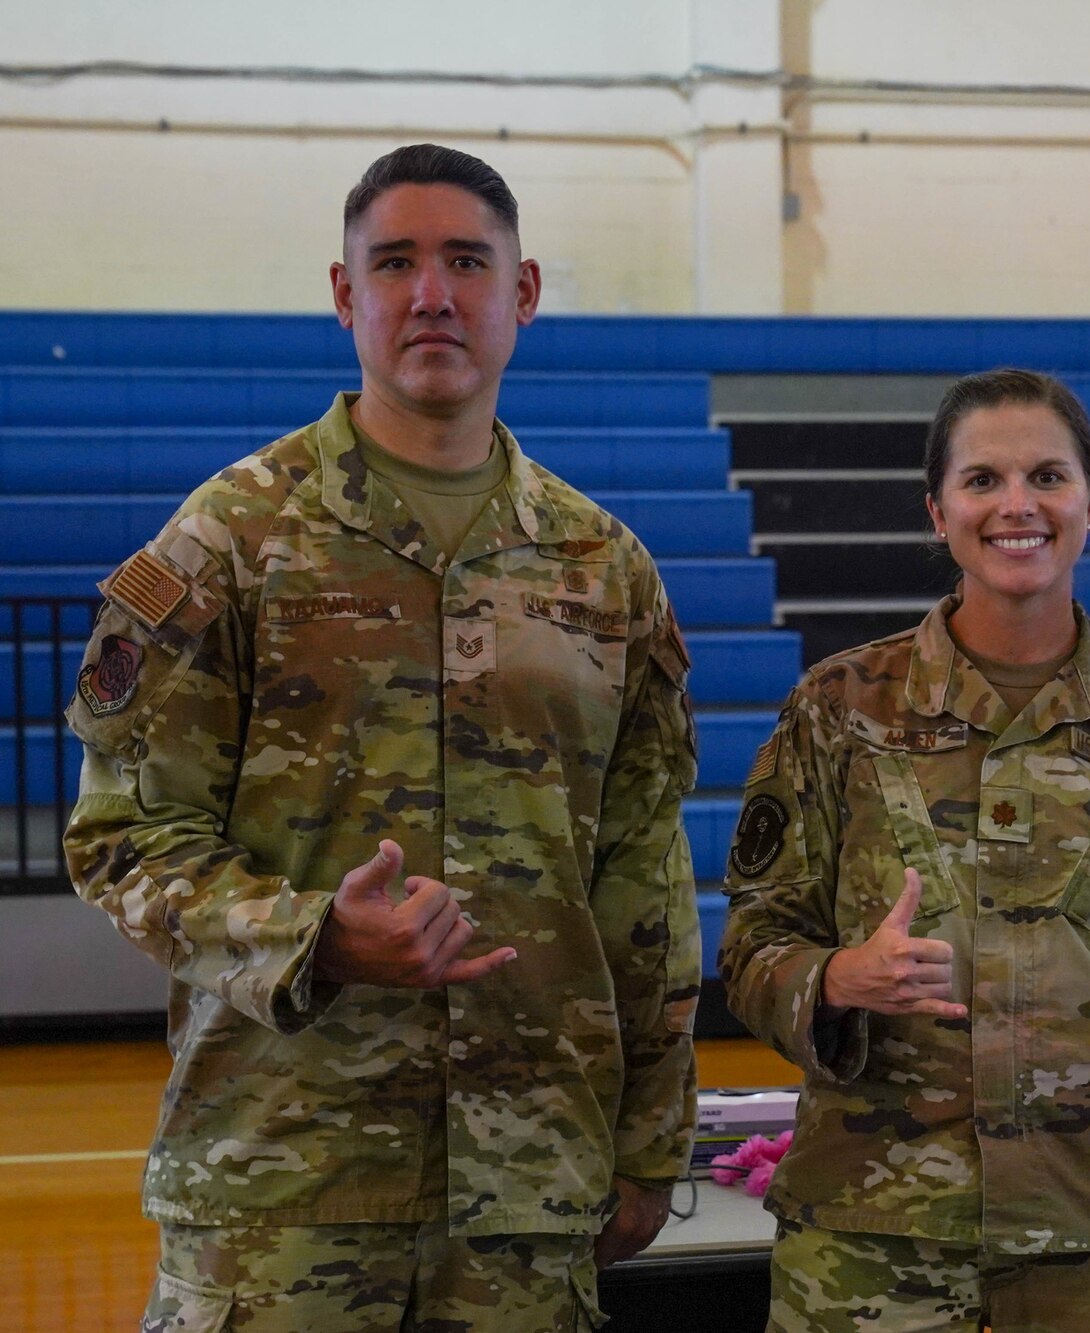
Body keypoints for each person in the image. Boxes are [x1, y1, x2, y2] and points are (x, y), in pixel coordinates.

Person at [63, 143, 701, 1331]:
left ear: (523, 293)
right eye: (395, 262)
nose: (432, 294)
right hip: (282, 1185)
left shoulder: (604, 570)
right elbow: (125, 840)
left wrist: (651, 1137)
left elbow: (642, 873)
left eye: (467, 261)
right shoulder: (229, 542)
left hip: (527, 1187)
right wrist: (314, 936)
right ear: (346, 294)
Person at [719, 369, 1090, 1332]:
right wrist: (839, 978)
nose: (1016, 504)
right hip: (876, 1226)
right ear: (937, 511)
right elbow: (751, 942)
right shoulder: (839, 708)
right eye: (983, 480)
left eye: (1047, 477)